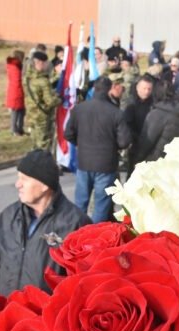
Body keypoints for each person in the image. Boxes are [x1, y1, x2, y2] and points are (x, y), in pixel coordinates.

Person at [0, 149, 90, 295]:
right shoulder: (8, 217)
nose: (17, 184)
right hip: (7, 311)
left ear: (44, 185)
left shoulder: (75, 223)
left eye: (24, 179)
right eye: (18, 178)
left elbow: (82, 279)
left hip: (43, 314)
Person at [64, 75, 131, 223]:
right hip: (106, 164)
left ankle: (76, 235)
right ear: (109, 90)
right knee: (101, 205)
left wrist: (80, 143)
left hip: (84, 162)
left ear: (94, 89)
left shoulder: (79, 109)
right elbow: (124, 141)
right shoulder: (115, 112)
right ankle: (94, 239)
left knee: (80, 202)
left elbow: (68, 133)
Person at [135, 80, 179, 163]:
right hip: (177, 160)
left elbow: (147, 141)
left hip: (156, 162)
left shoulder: (156, 114)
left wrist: (138, 158)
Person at [23, 51, 60, 151]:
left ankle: (33, 163)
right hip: (42, 117)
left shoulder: (26, 78)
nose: (46, 66)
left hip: (31, 114)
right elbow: (50, 101)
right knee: (44, 143)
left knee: (35, 142)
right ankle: (43, 165)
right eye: (45, 63)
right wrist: (60, 99)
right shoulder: (43, 81)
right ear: (40, 62)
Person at [123, 74, 155, 175]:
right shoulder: (130, 103)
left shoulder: (154, 104)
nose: (146, 91)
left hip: (150, 145)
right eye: (144, 88)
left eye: (149, 89)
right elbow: (127, 124)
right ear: (137, 88)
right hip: (135, 144)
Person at [4, 50, 25, 136]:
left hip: (15, 91)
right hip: (16, 91)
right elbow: (17, 81)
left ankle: (19, 128)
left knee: (21, 110)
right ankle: (14, 129)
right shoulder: (15, 67)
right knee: (15, 111)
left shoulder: (13, 66)